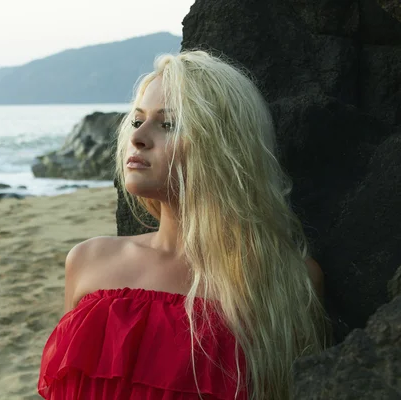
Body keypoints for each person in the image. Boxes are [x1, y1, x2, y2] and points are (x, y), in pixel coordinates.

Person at [38, 50, 328, 400]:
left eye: (168, 124)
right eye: (137, 120)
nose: (138, 137)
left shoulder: (284, 282)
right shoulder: (88, 261)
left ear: (223, 145)